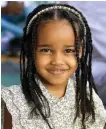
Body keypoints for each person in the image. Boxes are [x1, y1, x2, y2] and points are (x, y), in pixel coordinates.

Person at [1, 3, 106, 129]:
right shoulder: (14, 101)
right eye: (46, 50)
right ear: (30, 50)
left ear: (80, 52)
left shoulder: (86, 95)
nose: (57, 61)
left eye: (68, 51)